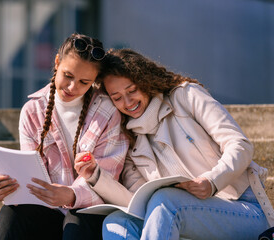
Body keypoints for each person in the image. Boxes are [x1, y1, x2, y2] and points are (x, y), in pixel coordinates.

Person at [74, 48, 271, 239]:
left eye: (132, 90)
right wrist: (95, 176)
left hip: (243, 209)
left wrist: (212, 181)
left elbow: (240, 145)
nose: (127, 102)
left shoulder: (186, 96)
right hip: (181, 217)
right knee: (117, 222)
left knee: (166, 201)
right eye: (117, 98)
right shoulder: (130, 139)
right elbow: (135, 204)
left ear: (145, 80)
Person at [0, 34, 129, 240]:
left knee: (76, 220)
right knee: (11, 213)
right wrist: (8, 190)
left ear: (94, 81)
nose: (72, 87)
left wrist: (71, 194)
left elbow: (107, 180)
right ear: (57, 62)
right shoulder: (33, 111)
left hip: (89, 214)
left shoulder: (108, 112)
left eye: (84, 82)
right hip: (49, 214)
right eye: (68, 75)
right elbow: (30, 176)